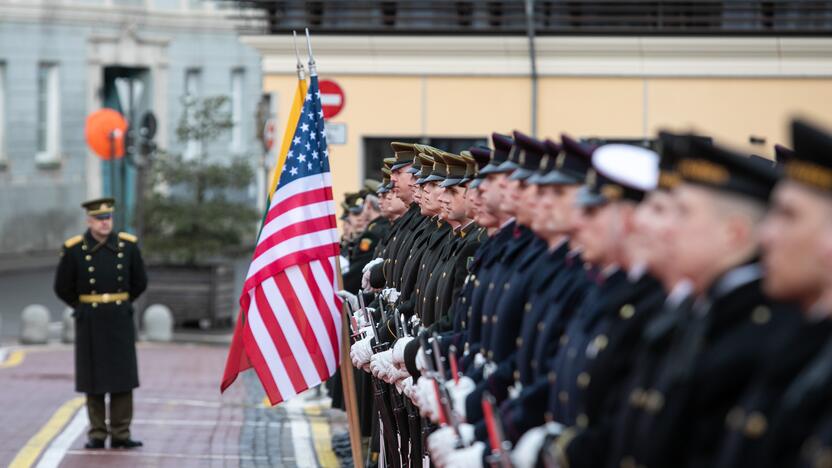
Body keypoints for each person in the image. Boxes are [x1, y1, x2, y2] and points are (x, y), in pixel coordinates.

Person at [53, 197, 147, 450]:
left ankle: (121, 433)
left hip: (119, 318)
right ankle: (96, 432)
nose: (105, 223)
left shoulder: (128, 246)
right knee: (92, 377)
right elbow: (62, 286)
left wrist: (121, 303)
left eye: (108, 218)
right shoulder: (74, 249)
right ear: (89, 220)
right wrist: (82, 307)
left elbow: (139, 282)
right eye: (99, 219)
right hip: (90, 319)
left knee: (122, 377)